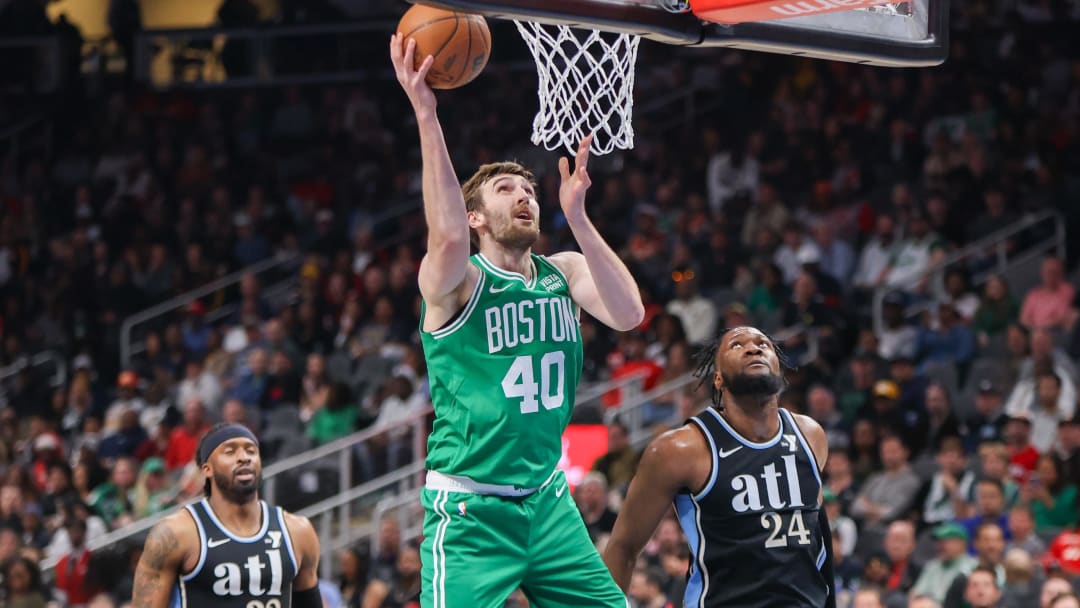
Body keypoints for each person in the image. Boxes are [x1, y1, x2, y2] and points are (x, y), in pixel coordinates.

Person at [390, 32, 643, 608]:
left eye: (530, 189)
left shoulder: (564, 271)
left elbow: (629, 315)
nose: (525, 196)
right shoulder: (459, 284)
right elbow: (448, 236)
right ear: (477, 214)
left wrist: (577, 216)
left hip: (549, 500)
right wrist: (427, 114)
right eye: (507, 190)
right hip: (472, 509)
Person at [603, 326, 832, 607]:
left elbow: (819, 545)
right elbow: (623, 547)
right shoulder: (680, 449)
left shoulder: (810, 435)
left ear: (779, 370)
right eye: (737, 345)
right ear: (719, 379)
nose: (753, 348)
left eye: (764, 344)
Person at [131, 423, 321, 608]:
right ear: (207, 469)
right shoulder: (174, 533)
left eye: (251, 451)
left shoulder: (298, 531)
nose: (244, 457)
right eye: (230, 452)